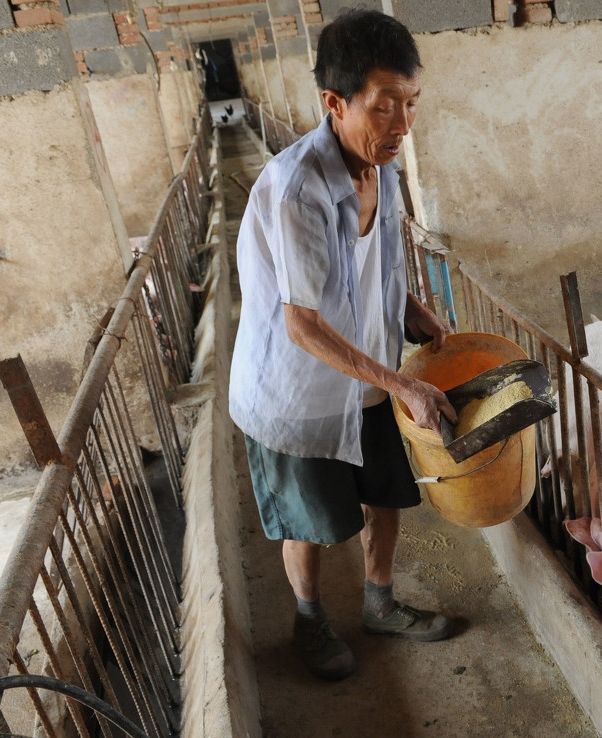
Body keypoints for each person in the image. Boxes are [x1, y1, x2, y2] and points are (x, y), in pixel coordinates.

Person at [229, 10, 456, 681]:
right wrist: (403, 383)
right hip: (297, 388)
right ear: (335, 102)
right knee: (311, 521)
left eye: (411, 103)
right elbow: (301, 323)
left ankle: (380, 604)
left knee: (385, 497)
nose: (401, 124)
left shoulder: (382, 167)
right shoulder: (297, 188)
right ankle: (309, 620)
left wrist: (412, 310)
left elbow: (373, 268)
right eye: (384, 106)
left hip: (367, 373)